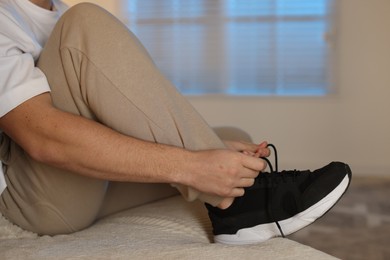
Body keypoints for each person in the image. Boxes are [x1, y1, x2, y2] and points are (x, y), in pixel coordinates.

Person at [0, 0, 352, 244]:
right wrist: (191, 166)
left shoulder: (57, 13)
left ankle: (235, 203)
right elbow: (41, 136)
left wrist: (209, 151)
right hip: (29, 200)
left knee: (230, 140)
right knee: (84, 23)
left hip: (80, 187)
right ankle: (237, 206)